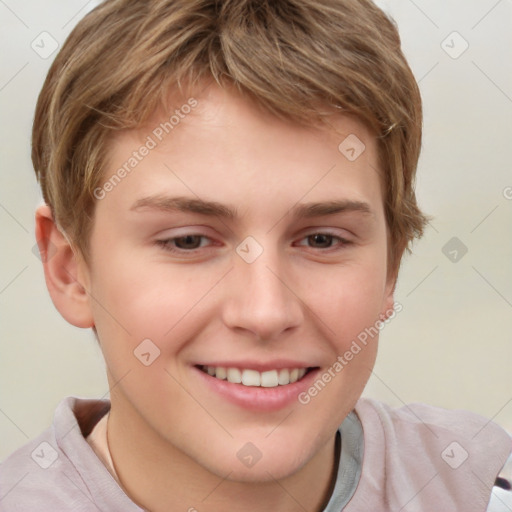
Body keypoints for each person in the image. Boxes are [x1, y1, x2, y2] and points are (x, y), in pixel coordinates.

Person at [1, 0, 510, 510]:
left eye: (321, 240)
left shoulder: (483, 490)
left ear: (391, 270)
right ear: (69, 269)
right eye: (188, 241)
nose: (265, 312)